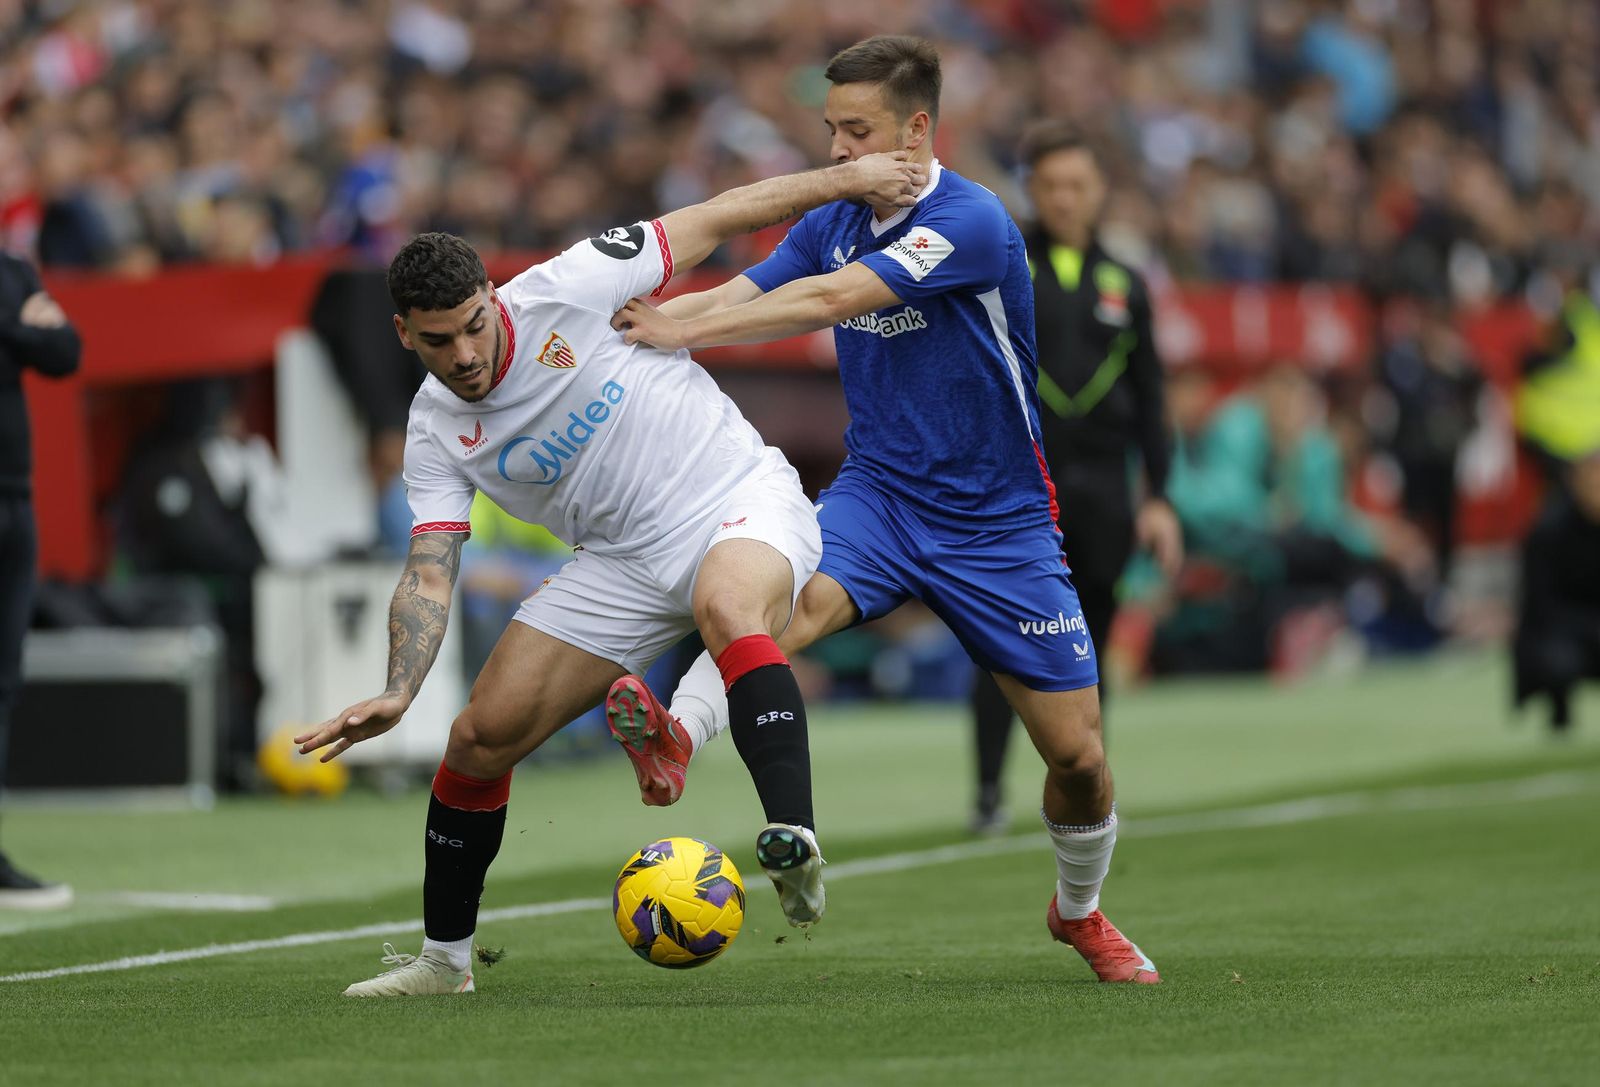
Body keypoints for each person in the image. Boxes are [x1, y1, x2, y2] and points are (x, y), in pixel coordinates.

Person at [292, 150, 926, 996]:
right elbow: (432, 567)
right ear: (406, 334)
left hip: (732, 494)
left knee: (729, 604)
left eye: (476, 324)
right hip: (620, 562)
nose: (467, 353)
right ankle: (444, 964)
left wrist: (849, 179)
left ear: (492, 294)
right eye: (439, 341)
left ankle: (794, 841)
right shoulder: (433, 431)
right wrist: (399, 689)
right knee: (478, 740)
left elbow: (723, 211)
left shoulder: (570, 283)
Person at [611, 35, 1159, 984]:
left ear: (915, 129)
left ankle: (1079, 912)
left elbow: (831, 299)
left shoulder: (973, 220)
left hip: (999, 526)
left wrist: (679, 330)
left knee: (1078, 758)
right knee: (771, 609)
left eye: (855, 130)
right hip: (882, 496)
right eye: (829, 129)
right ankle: (676, 734)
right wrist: (648, 325)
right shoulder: (833, 216)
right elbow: (748, 287)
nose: (836, 150)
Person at [967, 121, 1182, 836]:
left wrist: (1159, 497)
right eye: (1051, 185)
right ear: (1032, 190)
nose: (1064, 198)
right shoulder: (1000, 266)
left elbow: (1152, 398)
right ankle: (988, 794)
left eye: (1077, 185)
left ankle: (1090, 791)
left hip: (1102, 490)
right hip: (1018, 485)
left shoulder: (1125, 282)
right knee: (1001, 642)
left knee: (1089, 640)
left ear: (1099, 191)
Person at [0, 249, 79, 908]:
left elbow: (64, 350)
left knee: (1, 681)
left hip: (14, 500)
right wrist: (20, 324)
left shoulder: (13, 270)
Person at [1514, 447, 1600, 732]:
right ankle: (1559, 715)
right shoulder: (1548, 531)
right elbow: (1540, 605)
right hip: (1562, 633)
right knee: (1558, 659)